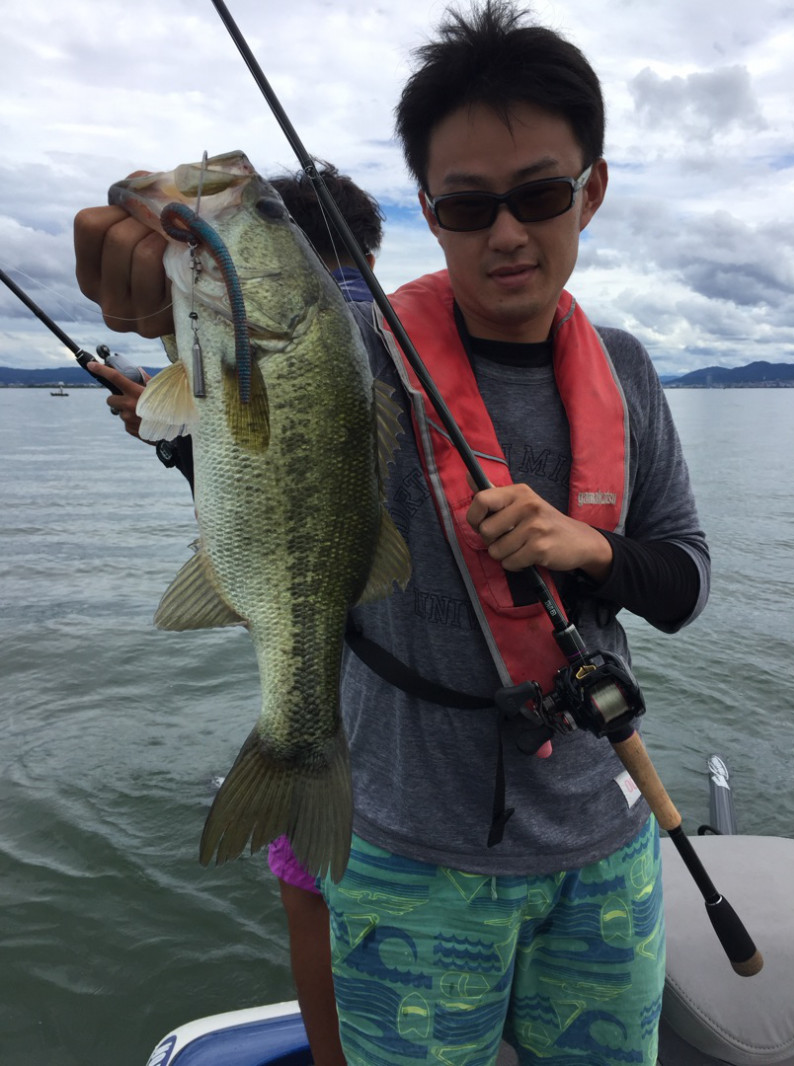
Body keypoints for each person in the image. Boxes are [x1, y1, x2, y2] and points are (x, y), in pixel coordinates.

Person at [74, 4, 710, 1063]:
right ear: (428, 211)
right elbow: (252, 395)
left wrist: (587, 548)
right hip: (407, 858)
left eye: (538, 195)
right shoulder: (355, 345)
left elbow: (684, 581)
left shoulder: (630, 369)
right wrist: (153, 269)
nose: (506, 234)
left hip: (603, 847)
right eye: (467, 206)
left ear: (590, 191)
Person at [82, 163, 382, 1066]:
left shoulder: (353, 328)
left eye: (272, 216)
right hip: (331, 657)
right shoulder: (327, 333)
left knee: (317, 905)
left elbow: (287, 451)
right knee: (324, 903)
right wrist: (173, 400)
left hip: (390, 774)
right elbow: (276, 472)